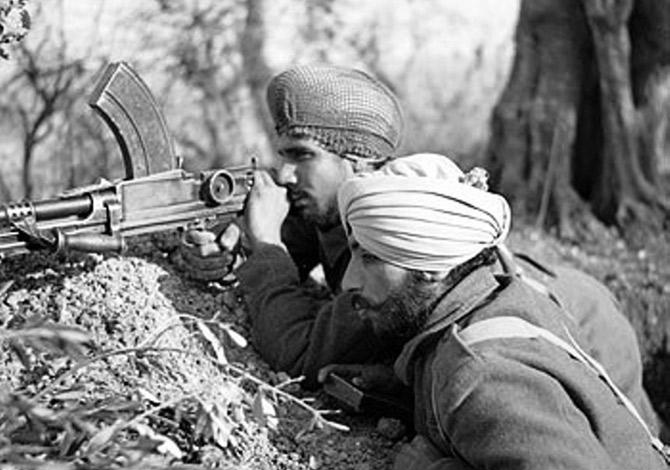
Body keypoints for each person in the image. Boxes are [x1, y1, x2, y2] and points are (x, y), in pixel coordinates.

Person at [180, 64, 660, 435]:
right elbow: (297, 247)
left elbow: (300, 352)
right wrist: (231, 248)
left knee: (632, 459)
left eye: (302, 156)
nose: (285, 175)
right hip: (567, 299)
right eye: (283, 157)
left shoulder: (389, 244)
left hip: (583, 326)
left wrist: (265, 247)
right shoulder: (332, 211)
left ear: (360, 165)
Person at [328, 167, 670, 470]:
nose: (348, 282)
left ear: (434, 265)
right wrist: (404, 386)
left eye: (371, 257)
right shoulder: (498, 295)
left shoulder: (480, 378)